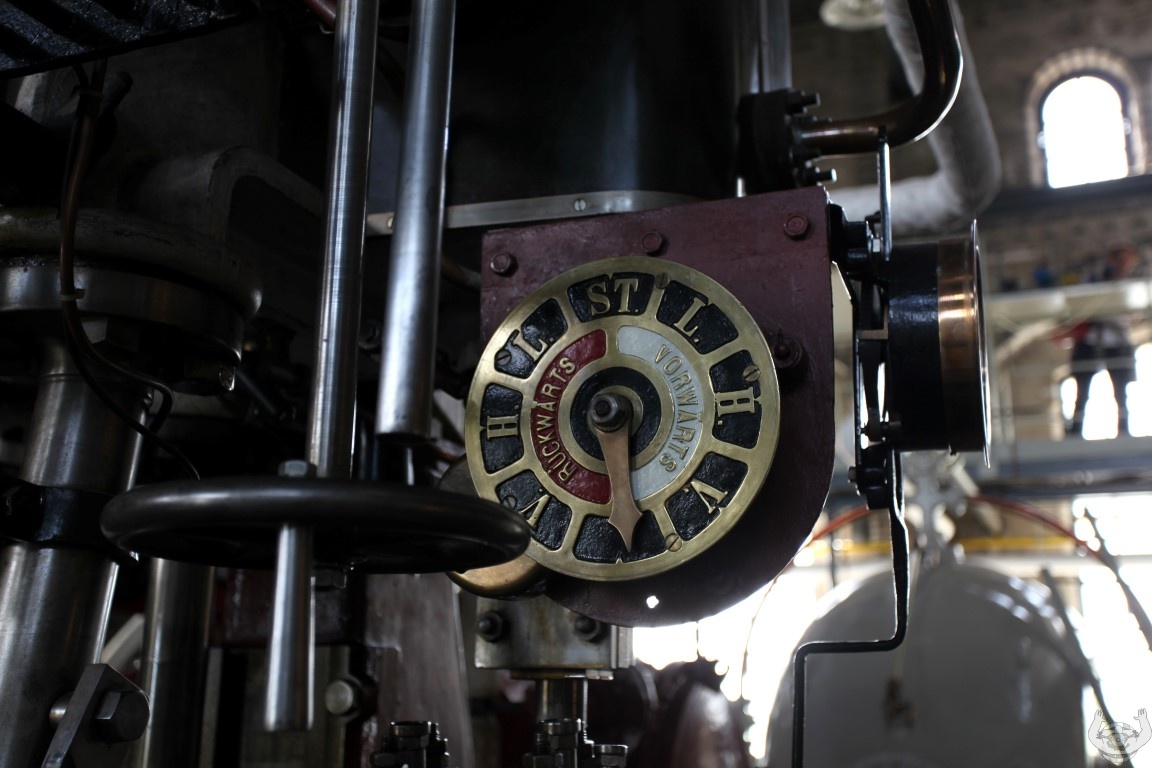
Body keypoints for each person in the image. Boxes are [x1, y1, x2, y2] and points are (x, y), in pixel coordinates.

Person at [1065, 244, 1141, 438]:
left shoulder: (1133, 283)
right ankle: (1075, 431)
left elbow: (1133, 312)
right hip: (1092, 340)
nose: (1125, 264)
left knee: (1121, 393)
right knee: (1082, 391)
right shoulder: (1096, 278)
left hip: (1117, 343)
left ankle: (1123, 431)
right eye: (1121, 259)